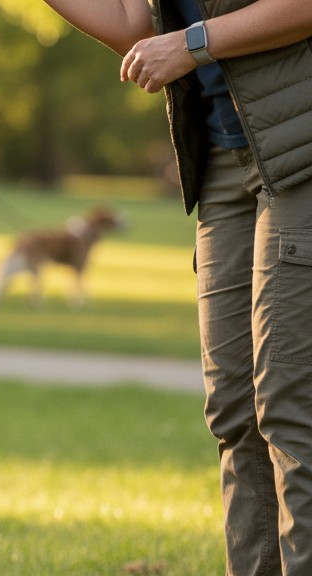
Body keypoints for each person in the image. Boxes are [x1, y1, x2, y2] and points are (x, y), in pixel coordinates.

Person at [39, 0, 312, 573]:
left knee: (289, 408)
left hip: (299, 154)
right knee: (235, 411)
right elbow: (141, 30)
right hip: (219, 160)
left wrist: (193, 43)